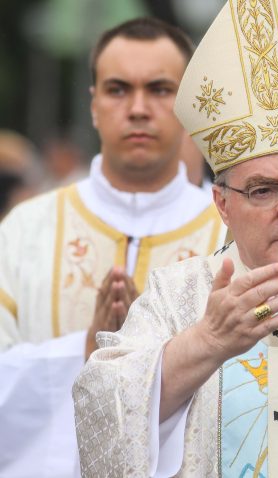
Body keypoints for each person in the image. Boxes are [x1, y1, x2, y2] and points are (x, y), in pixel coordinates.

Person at [73, 2, 278, 477]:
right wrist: (207, 341)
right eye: (264, 191)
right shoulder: (176, 296)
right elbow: (99, 408)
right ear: (222, 203)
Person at [0, 18, 225, 477]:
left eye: (160, 90)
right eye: (118, 89)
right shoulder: (25, 229)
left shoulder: (229, 234)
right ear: (93, 105)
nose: (138, 108)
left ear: (187, 106)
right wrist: (79, 351)